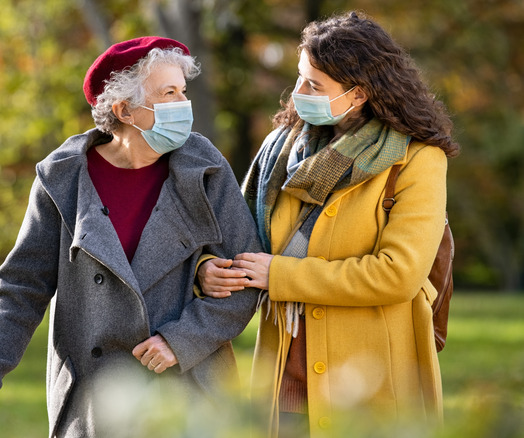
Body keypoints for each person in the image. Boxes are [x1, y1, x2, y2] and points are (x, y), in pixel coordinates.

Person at [0, 36, 263, 437]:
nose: (182, 106)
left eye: (182, 92)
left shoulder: (204, 167)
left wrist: (181, 340)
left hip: (191, 393)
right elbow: (22, 287)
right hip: (94, 399)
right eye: (168, 94)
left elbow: (247, 274)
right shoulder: (62, 179)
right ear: (124, 110)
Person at [197, 11, 460, 438]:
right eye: (300, 77)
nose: (298, 93)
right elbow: (234, 240)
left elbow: (398, 273)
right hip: (283, 377)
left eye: (313, 85)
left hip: (370, 382)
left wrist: (280, 275)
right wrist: (207, 270)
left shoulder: (417, 160)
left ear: (358, 94)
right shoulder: (281, 151)